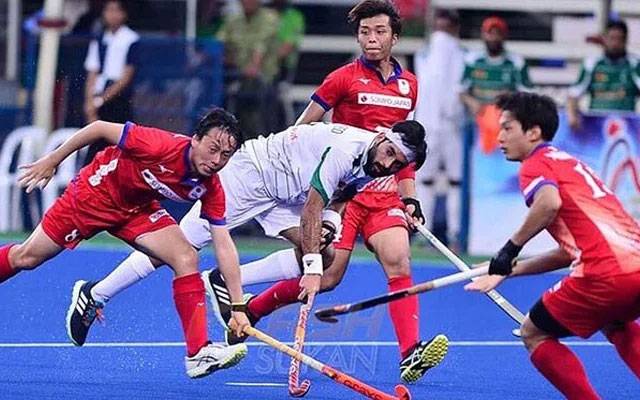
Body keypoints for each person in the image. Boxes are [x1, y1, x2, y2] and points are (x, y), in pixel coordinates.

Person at [66, 120, 426, 350]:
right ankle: (94, 294)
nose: (388, 162)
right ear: (382, 137)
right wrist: (313, 267)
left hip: (286, 194)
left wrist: (331, 225)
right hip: (250, 175)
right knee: (177, 248)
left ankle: (225, 279)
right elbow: (313, 209)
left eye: (397, 162)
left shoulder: (376, 165)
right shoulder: (346, 149)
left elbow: (339, 198)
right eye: (389, 151)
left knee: (325, 251)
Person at [235, 0, 448, 384]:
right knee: (328, 277)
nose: (371, 39)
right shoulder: (341, 78)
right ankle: (252, 310)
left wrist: (410, 196)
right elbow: (300, 132)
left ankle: (410, 354)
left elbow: (406, 153)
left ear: (395, 37)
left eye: (380, 31)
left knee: (399, 261)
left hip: (383, 195)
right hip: (343, 195)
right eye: (365, 32)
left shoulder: (409, 85)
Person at [0, 109, 250, 379]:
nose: (216, 161)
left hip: (136, 210)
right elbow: (98, 128)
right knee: (27, 258)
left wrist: (237, 307)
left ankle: (198, 353)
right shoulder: (158, 144)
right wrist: (53, 159)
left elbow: (223, 245)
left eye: (225, 155)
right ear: (196, 139)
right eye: (213, 149)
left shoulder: (210, 187)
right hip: (93, 196)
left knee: (186, 257)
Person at [466, 91, 640, 399]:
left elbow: (548, 204)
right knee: (616, 322)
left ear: (533, 132)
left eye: (507, 127)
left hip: (604, 273)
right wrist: (508, 271)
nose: (500, 135)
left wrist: (508, 250)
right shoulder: (571, 164)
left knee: (534, 332)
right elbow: (569, 251)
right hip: (634, 268)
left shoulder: (535, 165)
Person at [414, 9, 465, 249]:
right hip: (427, 124)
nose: (441, 34)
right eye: (439, 28)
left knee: (456, 180)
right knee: (424, 179)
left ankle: (456, 234)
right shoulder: (422, 55)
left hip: (454, 126)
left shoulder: (464, 57)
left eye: (446, 28)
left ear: (455, 28)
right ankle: (422, 231)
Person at [458, 16, 532, 154]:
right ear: (483, 35)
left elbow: (528, 93)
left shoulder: (515, 62)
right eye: (489, 33)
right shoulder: (473, 60)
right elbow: (460, 91)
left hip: (506, 122)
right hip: (477, 121)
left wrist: (510, 97)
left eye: (497, 34)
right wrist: (472, 102)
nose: (493, 38)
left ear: (504, 36)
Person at [83, 0, 140, 163]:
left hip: (117, 98)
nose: (112, 15)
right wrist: (90, 103)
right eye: (109, 10)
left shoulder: (130, 39)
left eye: (116, 11)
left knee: (119, 145)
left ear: (124, 14)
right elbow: (92, 72)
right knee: (94, 148)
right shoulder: (100, 39)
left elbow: (126, 77)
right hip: (99, 94)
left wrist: (101, 100)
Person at [216, 0, 279, 138]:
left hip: (264, 78)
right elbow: (219, 43)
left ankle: (259, 139)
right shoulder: (233, 19)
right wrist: (201, 59)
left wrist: (253, 67)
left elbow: (261, 47)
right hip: (236, 75)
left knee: (254, 108)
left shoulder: (269, 18)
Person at [567, 19, 640, 131]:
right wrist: (572, 116)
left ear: (625, 40)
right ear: (604, 39)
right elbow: (573, 94)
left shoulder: (634, 64)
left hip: (627, 128)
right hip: (596, 130)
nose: (615, 43)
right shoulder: (592, 63)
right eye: (611, 38)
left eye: (619, 39)